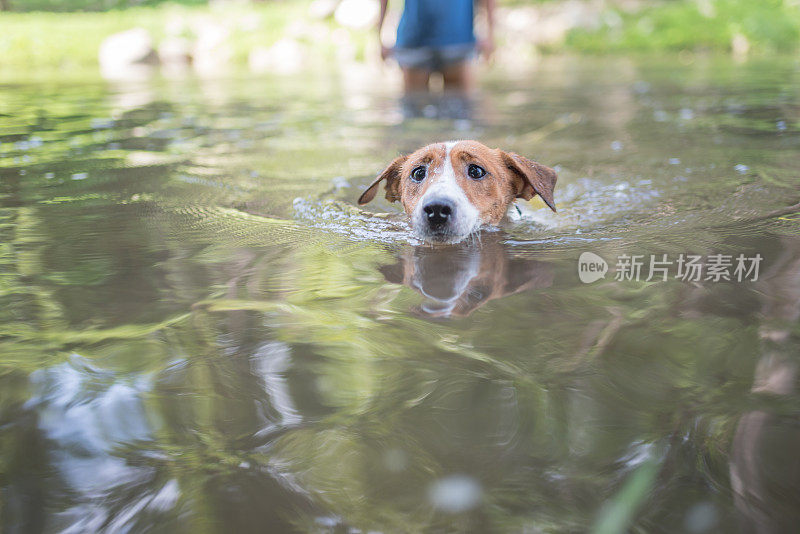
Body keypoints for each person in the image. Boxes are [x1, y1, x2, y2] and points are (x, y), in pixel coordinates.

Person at [378, 0, 496, 94]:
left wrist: (490, 34)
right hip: (416, 40)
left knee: (461, 112)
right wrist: (380, 36)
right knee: (413, 112)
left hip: (457, 40)